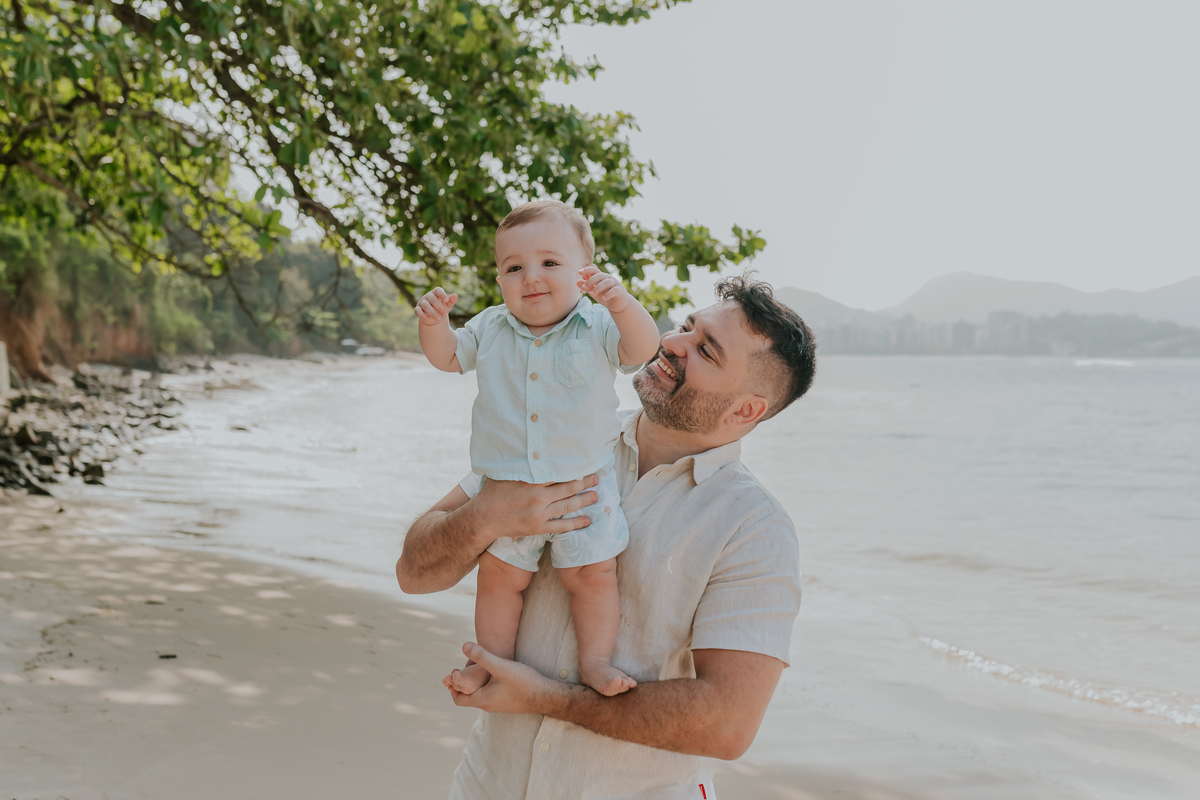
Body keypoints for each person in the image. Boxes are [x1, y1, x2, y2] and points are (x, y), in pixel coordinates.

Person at [398, 273, 817, 799]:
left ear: (746, 410)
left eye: (706, 351)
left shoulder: (754, 529)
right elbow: (412, 573)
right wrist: (485, 515)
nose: (672, 343)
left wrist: (549, 699)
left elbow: (727, 724)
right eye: (687, 327)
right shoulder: (555, 437)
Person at [413, 200, 661, 697]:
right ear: (499, 280)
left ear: (584, 273)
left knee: (593, 577)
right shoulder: (488, 326)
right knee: (499, 580)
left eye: (550, 263)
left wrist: (622, 304)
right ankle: (489, 661)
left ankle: (594, 661)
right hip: (504, 487)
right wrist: (433, 323)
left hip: (583, 487)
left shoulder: (596, 325)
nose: (531, 277)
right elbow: (447, 357)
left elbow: (642, 349)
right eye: (514, 268)